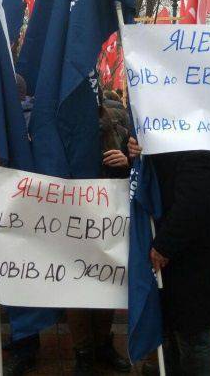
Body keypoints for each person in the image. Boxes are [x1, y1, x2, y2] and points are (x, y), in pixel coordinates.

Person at [129, 137, 210, 376]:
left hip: (193, 259)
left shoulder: (202, 146)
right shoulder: (173, 136)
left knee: (192, 338)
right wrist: (138, 150)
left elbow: (194, 202)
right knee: (174, 331)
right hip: (176, 256)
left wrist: (165, 245)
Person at [66, 103, 132, 375]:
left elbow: (136, 172)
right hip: (68, 219)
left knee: (107, 285)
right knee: (75, 288)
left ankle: (103, 344)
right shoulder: (58, 126)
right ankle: (83, 351)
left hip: (107, 220)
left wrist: (128, 161)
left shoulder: (117, 125)